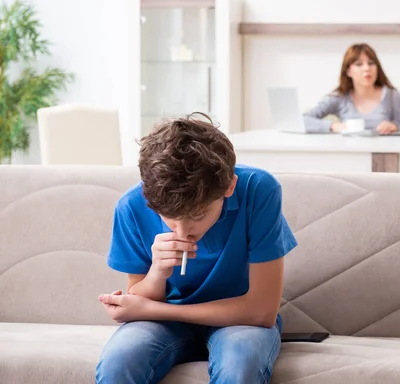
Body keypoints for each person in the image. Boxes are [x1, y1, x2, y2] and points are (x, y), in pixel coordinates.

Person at [95, 113, 297, 384]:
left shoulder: (259, 189)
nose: (182, 230)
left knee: (240, 367)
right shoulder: (131, 205)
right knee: (119, 363)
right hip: (162, 326)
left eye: (199, 215)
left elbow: (261, 311)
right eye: (168, 218)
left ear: (229, 187)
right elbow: (139, 297)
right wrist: (157, 273)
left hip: (240, 321)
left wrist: (154, 310)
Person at [303, 43, 400, 134]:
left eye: (371, 63)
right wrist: (332, 126)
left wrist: (394, 126)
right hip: (350, 154)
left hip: (383, 155)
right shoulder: (340, 97)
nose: (367, 68)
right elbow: (303, 120)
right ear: (348, 71)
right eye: (359, 64)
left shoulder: (392, 96)